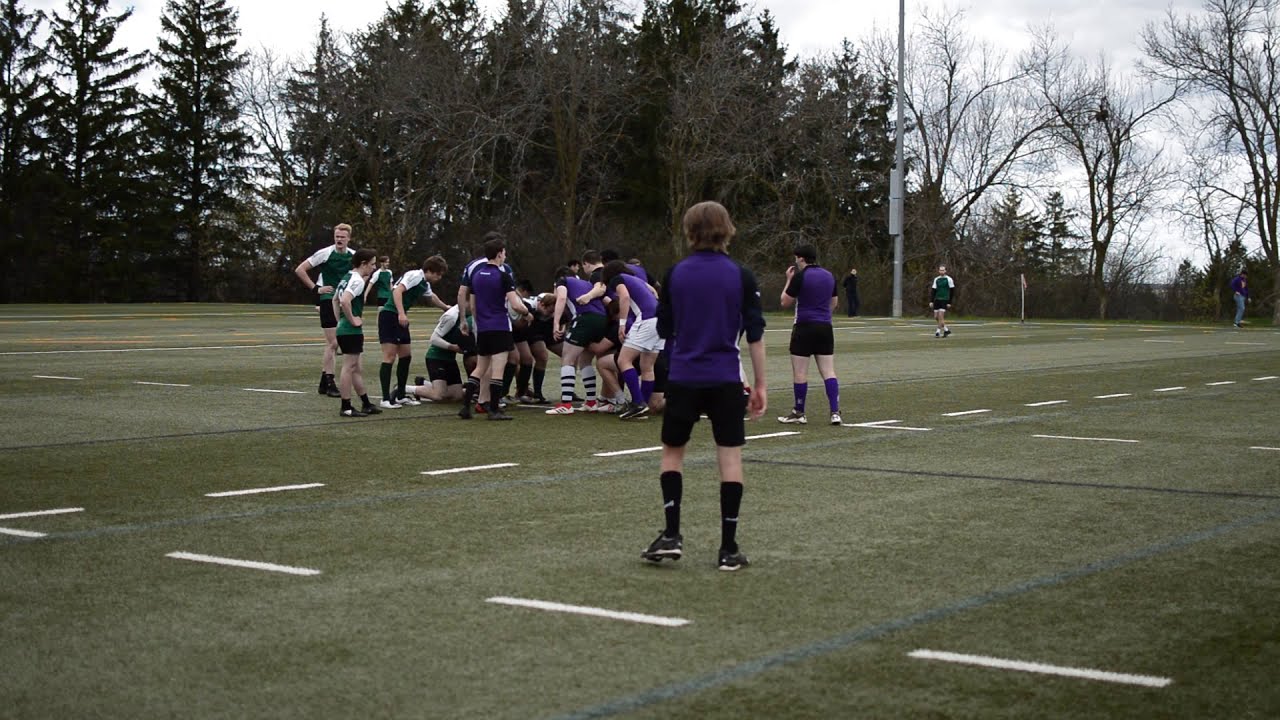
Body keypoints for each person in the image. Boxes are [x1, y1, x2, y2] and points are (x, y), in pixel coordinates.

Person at [641, 201, 766, 572]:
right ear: (727, 229)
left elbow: (664, 328)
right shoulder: (742, 275)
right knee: (730, 459)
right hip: (726, 378)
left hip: (684, 376)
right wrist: (760, 384)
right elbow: (755, 335)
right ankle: (728, 548)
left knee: (672, 454)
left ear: (689, 230)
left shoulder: (675, 274)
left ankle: (671, 534)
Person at [459, 235, 529, 421]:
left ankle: (466, 407)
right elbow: (515, 304)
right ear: (499, 254)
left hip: (483, 327)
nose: (505, 256)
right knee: (498, 369)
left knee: (480, 368)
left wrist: (478, 322)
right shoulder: (503, 275)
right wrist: (527, 313)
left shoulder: (476, 276)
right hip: (499, 326)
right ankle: (494, 410)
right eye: (504, 253)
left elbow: (473, 305)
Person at [777, 244, 841, 426]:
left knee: (800, 372)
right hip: (825, 327)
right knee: (828, 371)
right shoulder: (829, 276)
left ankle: (799, 412)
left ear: (801, 258)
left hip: (804, 327)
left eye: (796, 257)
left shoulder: (800, 276)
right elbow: (834, 303)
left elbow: (784, 302)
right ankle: (835, 412)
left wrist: (788, 280)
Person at [376, 255, 449, 408]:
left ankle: (401, 395)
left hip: (399, 317)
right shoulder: (415, 275)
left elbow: (432, 297)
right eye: (438, 274)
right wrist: (401, 313)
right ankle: (385, 399)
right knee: (389, 356)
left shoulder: (424, 283)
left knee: (406, 356)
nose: (439, 278)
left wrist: (446, 308)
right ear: (430, 270)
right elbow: (397, 291)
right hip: (390, 315)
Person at [294, 224, 355, 397]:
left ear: (349, 238)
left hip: (343, 302)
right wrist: (316, 289)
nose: (339, 239)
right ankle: (329, 382)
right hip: (328, 300)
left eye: (342, 237)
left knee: (337, 343)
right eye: (337, 236)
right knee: (333, 343)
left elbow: (361, 274)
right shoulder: (325, 253)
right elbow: (300, 269)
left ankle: (323, 382)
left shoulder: (353, 255)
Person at [602, 259, 664, 420]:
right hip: (660, 320)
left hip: (646, 319)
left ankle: (637, 403)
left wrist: (622, 324)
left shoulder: (617, 279)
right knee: (647, 366)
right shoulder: (638, 279)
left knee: (623, 360)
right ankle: (642, 405)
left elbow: (624, 297)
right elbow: (654, 292)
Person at [546, 256, 608, 415]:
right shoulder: (586, 283)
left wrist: (555, 323)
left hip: (585, 318)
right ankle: (591, 402)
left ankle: (566, 404)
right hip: (602, 320)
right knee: (585, 360)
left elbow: (561, 298)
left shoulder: (563, 281)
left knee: (567, 358)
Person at [333, 248, 382, 418]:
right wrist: (352, 320)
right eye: (372, 264)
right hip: (350, 330)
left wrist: (339, 320)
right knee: (349, 368)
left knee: (356, 368)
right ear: (363, 264)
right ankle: (346, 406)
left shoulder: (346, 277)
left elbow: (335, 300)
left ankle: (366, 403)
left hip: (344, 328)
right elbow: (345, 301)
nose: (374, 268)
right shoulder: (357, 280)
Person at [402, 303, 472, 403]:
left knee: (458, 396)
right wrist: (453, 347)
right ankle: (404, 388)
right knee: (439, 396)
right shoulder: (452, 315)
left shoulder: (471, 314)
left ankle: (425, 384)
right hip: (436, 357)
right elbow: (434, 339)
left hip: (450, 359)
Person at [930, 265, 956, 338]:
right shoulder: (936, 279)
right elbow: (933, 290)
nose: (942, 271)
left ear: (945, 271)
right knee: (936, 317)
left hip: (945, 299)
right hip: (937, 299)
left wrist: (949, 302)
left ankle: (937, 332)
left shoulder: (949, 279)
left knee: (941, 316)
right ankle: (946, 330)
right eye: (940, 270)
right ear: (939, 271)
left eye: (943, 270)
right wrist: (931, 301)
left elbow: (952, 291)